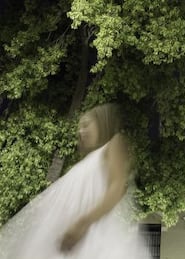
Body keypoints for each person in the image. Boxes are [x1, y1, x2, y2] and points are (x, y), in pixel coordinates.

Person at [0, 103, 150, 258]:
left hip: (91, 238)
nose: (81, 131)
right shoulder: (87, 161)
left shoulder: (114, 144)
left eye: (86, 125)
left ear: (102, 122)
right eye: (80, 127)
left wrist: (82, 224)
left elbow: (117, 187)